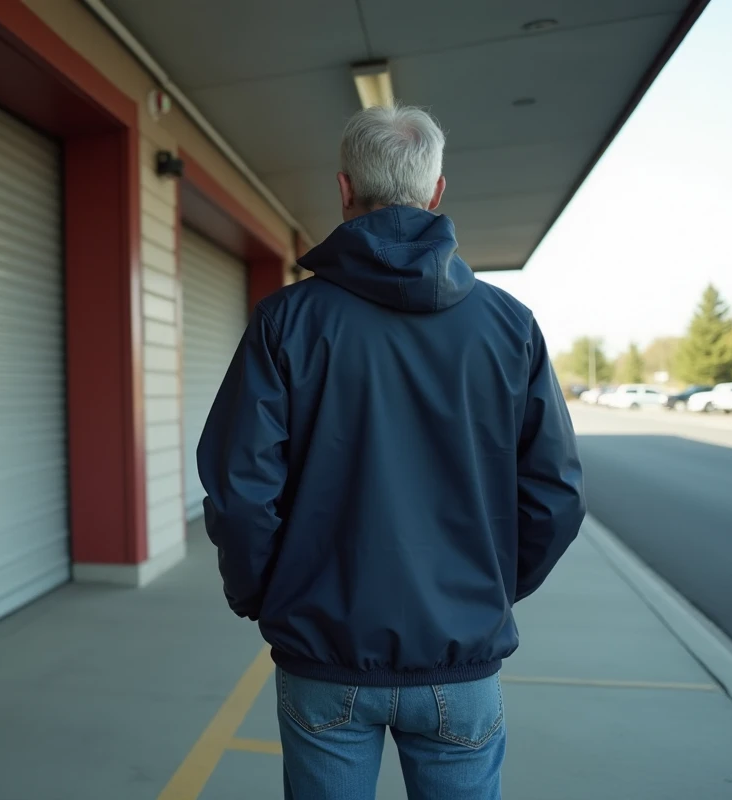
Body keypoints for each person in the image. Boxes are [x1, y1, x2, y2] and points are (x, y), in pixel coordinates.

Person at [196, 105, 586, 800]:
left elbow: (240, 490)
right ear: (437, 193)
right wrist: (483, 594)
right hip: (460, 661)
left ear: (343, 190)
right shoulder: (510, 327)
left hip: (324, 655)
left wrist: (269, 596)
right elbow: (554, 494)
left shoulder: (286, 323)